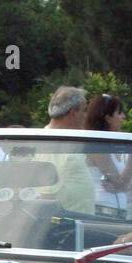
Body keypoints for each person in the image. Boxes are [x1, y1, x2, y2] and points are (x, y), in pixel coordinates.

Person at [85, 94, 132, 221]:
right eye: (119, 112)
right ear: (108, 118)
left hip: (116, 211)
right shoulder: (98, 147)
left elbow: (122, 185)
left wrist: (121, 186)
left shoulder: (111, 146)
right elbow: (121, 184)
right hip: (103, 211)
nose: (123, 117)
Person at [35, 86, 94, 215]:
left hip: (78, 220)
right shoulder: (51, 143)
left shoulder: (66, 140)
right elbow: (46, 192)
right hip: (65, 223)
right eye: (84, 111)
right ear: (73, 112)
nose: (85, 116)